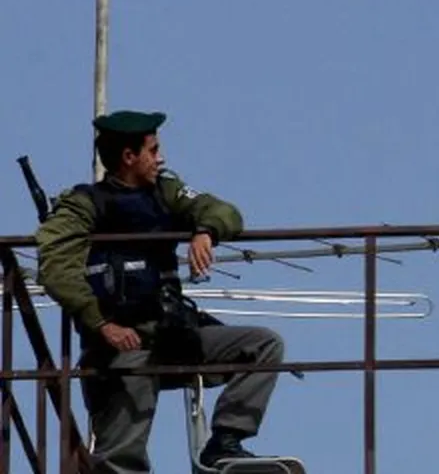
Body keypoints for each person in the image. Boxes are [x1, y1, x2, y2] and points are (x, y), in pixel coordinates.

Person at [33, 109, 285, 473]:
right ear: (129, 156)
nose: (160, 158)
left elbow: (223, 211)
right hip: (121, 346)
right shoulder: (84, 205)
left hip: (172, 336)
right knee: (124, 431)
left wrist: (206, 231)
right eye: (153, 151)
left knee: (263, 345)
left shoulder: (164, 192)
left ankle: (225, 443)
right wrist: (102, 324)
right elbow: (57, 267)